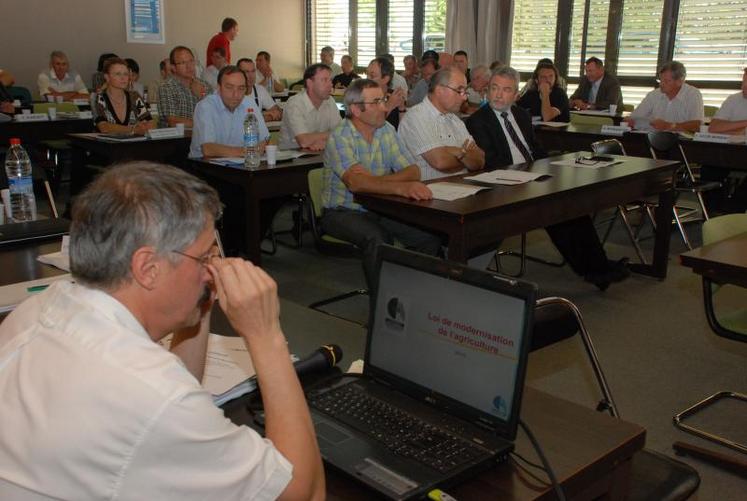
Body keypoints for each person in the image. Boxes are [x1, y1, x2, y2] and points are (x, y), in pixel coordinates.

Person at [0, 162, 325, 500]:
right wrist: (266, 335)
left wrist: (200, 303)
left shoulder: (40, 308)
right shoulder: (152, 395)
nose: (213, 267)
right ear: (148, 269)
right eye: (204, 257)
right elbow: (304, 492)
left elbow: (174, 387)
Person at [466, 66, 630, 290]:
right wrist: (529, 176)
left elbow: (535, 149)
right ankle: (595, 270)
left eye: (505, 90)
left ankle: (598, 268)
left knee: (573, 206)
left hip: (535, 177)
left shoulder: (521, 115)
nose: (498, 94)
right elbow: (492, 162)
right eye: (494, 88)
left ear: (516, 95)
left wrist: (552, 169)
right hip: (506, 185)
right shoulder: (478, 121)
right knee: (556, 210)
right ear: (487, 90)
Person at [322, 78, 441, 287]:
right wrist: (397, 186)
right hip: (342, 211)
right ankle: (382, 309)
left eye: (383, 99)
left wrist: (374, 182)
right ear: (356, 110)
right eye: (376, 102)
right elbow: (356, 184)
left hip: (381, 206)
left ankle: (417, 295)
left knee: (427, 237)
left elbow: (413, 171)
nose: (384, 107)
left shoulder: (386, 129)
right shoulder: (340, 136)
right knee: (377, 238)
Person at [399, 67, 485, 180]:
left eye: (465, 92)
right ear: (439, 90)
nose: (464, 97)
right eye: (460, 91)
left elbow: (480, 161)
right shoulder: (416, 117)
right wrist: (465, 154)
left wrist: (458, 152)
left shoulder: (455, 120)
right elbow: (440, 162)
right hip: (429, 192)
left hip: (461, 188)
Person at [189, 65, 269, 159]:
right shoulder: (205, 106)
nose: (235, 94)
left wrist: (256, 150)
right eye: (229, 87)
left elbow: (264, 139)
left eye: (241, 88)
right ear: (219, 87)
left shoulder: (249, 103)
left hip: (242, 165)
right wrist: (247, 151)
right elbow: (208, 149)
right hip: (204, 167)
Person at [703, 68, 747, 213]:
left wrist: (730, 127)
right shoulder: (734, 99)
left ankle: (732, 214)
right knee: (710, 166)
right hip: (733, 153)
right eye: (743, 81)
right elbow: (714, 128)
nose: (743, 86)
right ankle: (712, 213)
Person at [627, 61, 703, 132]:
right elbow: (634, 117)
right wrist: (629, 120)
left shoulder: (692, 94)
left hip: (682, 142)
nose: (661, 84)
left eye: (666, 81)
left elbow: (697, 125)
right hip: (654, 139)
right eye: (660, 80)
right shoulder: (654, 95)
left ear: (680, 81)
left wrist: (670, 126)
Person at [278, 63, 340, 150]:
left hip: (321, 156)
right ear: (310, 83)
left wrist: (324, 142)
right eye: (324, 80)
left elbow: (343, 135)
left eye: (330, 80)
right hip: (292, 159)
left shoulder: (330, 101)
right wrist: (333, 135)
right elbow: (304, 141)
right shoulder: (295, 104)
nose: (330, 84)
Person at [94, 57, 154, 135]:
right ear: (107, 77)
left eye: (126, 74)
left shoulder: (134, 97)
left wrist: (145, 126)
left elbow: (150, 123)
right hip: (107, 145)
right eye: (118, 74)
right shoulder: (98, 98)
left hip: (133, 144)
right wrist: (134, 129)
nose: (123, 78)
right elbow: (104, 127)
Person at [157, 46, 210, 127]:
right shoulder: (167, 87)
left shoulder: (205, 85)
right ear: (173, 68)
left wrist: (201, 95)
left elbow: (213, 113)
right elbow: (173, 121)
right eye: (183, 63)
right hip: (178, 138)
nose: (189, 66)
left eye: (191, 61)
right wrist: (204, 124)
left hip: (203, 137)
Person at [237, 57, 283, 122]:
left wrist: (259, 117)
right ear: (238, 73)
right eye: (246, 72)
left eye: (253, 71)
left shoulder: (260, 90)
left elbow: (279, 112)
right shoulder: (233, 93)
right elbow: (237, 119)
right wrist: (265, 114)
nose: (251, 76)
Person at [366, 57, 405, 129]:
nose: (367, 79)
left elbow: (402, 128)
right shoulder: (361, 97)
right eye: (366, 74)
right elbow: (368, 126)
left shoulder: (393, 95)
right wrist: (389, 105)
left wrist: (401, 108)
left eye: (372, 76)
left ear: (385, 79)